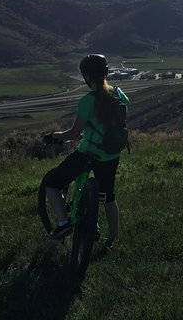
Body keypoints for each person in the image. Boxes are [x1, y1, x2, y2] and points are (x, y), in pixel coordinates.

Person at [43, 54, 129, 248]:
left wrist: (54, 136)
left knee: (52, 183)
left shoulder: (88, 101)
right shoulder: (118, 94)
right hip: (111, 154)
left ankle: (64, 224)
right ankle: (113, 239)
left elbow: (74, 133)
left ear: (87, 77)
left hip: (89, 152)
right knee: (108, 197)